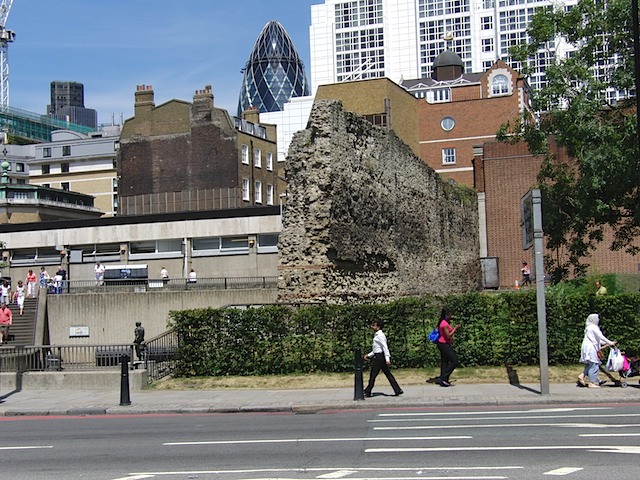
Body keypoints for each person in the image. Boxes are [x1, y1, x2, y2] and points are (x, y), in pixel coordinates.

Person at [363, 320, 403, 397]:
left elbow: (385, 347)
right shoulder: (377, 335)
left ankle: (368, 391)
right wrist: (369, 355)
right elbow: (376, 349)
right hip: (379, 356)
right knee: (388, 374)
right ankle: (397, 390)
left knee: (373, 375)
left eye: (374, 325)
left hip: (379, 358)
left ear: (378, 327)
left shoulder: (380, 335)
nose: (373, 327)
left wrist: (387, 359)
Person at [579, 313, 616, 388]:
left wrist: (606, 343)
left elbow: (597, 339)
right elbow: (601, 337)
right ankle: (592, 382)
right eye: (597, 318)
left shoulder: (588, 327)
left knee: (589, 364)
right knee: (594, 365)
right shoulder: (594, 327)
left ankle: (582, 376)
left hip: (587, 347)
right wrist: (610, 342)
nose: (598, 320)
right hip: (591, 348)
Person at [435, 308, 461, 387]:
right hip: (443, 344)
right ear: (446, 315)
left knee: (445, 362)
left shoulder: (443, 322)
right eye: (449, 314)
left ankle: (444, 380)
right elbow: (448, 335)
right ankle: (443, 377)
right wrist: (455, 328)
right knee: (454, 360)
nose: (451, 316)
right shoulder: (444, 324)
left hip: (443, 343)